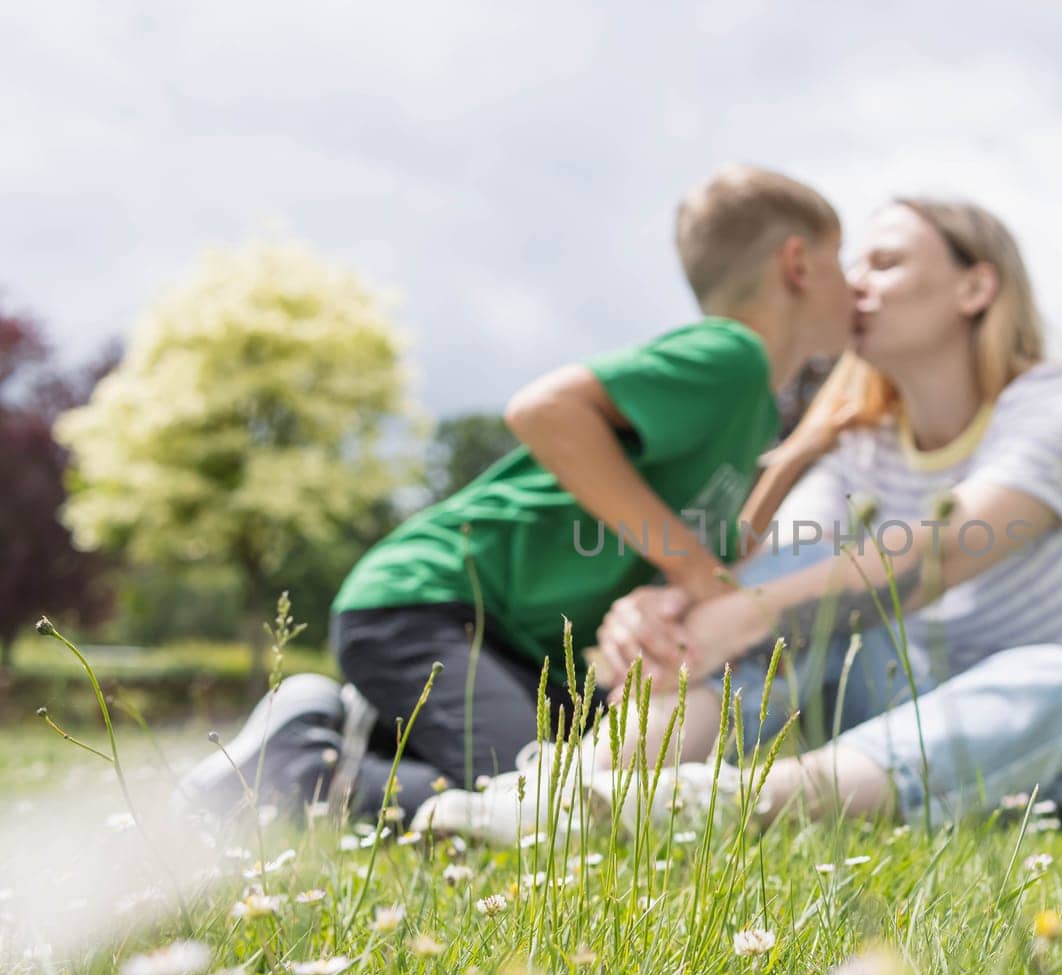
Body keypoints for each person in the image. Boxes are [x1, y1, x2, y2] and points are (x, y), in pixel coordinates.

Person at [418, 196, 1062, 843]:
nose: (856, 282)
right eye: (853, 262)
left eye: (887, 262)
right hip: (919, 741)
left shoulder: (1054, 408)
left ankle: (724, 806)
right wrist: (672, 608)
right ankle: (572, 795)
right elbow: (775, 575)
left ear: (976, 289)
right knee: (780, 612)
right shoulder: (859, 444)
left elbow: (940, 553)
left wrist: (742, 611)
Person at [176, 164, 856, 819]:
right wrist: (687, 565)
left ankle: (356, 730)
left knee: (598, 780)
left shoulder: (758, 410)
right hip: (430, 603)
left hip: (516, 650)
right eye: (841, 259)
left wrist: (777, 483)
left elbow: (716, 545)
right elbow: (544, 410)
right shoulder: (729, 357)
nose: (853, 285)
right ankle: (298, 766)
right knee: (548, 808)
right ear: (797, 263)